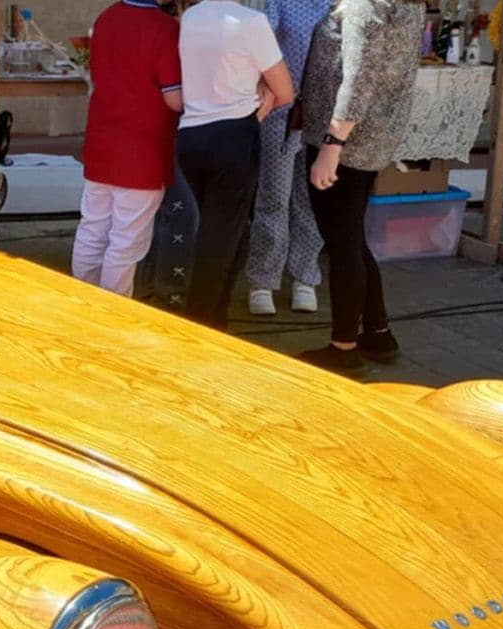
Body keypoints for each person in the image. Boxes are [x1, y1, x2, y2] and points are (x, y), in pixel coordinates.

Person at [295, 0, 424, 369]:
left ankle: (344, 348)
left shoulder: (367, 6)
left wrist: (332, 146)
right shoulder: (401, 5)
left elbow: (360, 76)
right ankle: (378, 333)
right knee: (350, 236)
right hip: (370, 138)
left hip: (347, 144)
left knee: (342, 243)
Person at [176, 0, 293, 329]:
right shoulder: (251, 21)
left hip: (191, 135)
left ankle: (216, 320)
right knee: (219, 239)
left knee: (234, 234)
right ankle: (198, 327)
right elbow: (285, 91)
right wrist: (263, 97)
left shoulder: (190, 17)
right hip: (232, 136)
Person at [71, 0, 184, 296]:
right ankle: (112, 315)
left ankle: (81, 303)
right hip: (142, 149)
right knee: (125, 242)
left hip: (101, 142)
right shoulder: (163, 28)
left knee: (91, 230)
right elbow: (175, 99)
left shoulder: (106, 18)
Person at [245, 0, 329, 317]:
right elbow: (262, 46)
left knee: (311, 198)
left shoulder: (339, 6)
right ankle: (263, 279)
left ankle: (305, 276)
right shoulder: (279, 2)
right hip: (280, 111)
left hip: (320, 116)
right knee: (274, 197)